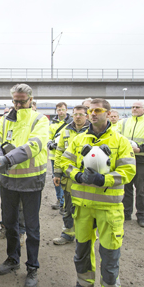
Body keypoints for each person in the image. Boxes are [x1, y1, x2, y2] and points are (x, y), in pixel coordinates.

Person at [60, 98, 136, 287]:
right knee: (82, 249)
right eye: (90, 110)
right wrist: (76, 174)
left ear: (108, 113)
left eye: (98, 110)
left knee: (110, 253)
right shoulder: (78, 139)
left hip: (108, 208)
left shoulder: (121, 141)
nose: (93, 114)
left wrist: (105, 180)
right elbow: (65, 163)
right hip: (83, 205)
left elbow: (128, 171)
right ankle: (84, 285)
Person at [0, 83, 49, 287]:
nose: (17, 104)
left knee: (32, 228)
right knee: (10, 222)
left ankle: (32, 267)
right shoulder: (5, 120)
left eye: (21, 101)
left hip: (31, 181)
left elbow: (35, 144)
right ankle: (12, 258)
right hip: (8, 181)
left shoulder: (40, 120)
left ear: (31, 100)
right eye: (14, 101)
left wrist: (7, 159)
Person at [52, 105, 90, 245]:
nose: (78, 117)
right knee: (68, 208)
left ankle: (85, 235)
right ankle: (67, 234)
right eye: (75, 114)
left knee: (86, 208)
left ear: (87, 116)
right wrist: (57, 172)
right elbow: (59, 151)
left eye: (81, 114)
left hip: (87, 177)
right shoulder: (66, 130)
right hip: (68, 176)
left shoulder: (93, 131)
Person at [119, 101, 144, 227]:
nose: (134, 109)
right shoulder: (124, 122)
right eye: (133, 107)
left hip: (142, 159)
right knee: (126, 187)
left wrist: (141, 149)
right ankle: (126, 213)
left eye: (137, 107)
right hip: (126, 158)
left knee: (141, 189)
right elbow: (117, 136)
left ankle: (141, 216)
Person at [47, 102, 73, 210]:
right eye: (58, 110)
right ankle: (60, 200)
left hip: (68, 156)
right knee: (56, 178)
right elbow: (48, 137)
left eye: (62, 109)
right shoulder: (52, 123)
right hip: (54, 156)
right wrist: (50, 144)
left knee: (68, 178)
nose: (60, 112)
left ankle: (68, 201)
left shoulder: (71, 123)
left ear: (66, 110)